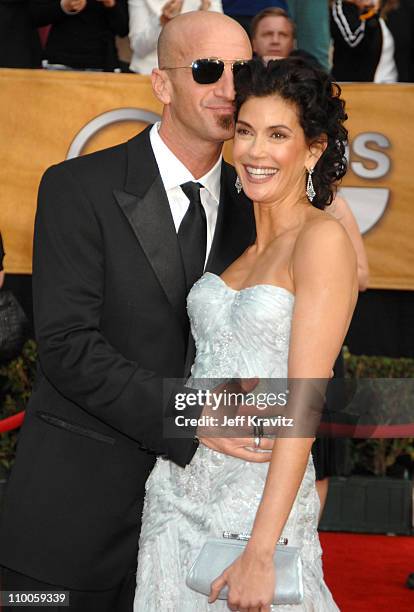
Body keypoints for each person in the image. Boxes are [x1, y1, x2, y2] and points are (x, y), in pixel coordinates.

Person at [0, 11, 273, 612]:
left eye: (244, 71)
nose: (230, 89)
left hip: (200, 528)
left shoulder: (259, 209)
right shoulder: (77, 187)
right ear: (162, 83)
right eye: (208, 70)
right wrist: (193, 410)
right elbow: (68, 346)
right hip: (71, 524)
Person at [134, 55, 358, 609]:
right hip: (175, 497)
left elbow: (303, 401)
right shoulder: (234, 247)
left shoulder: (320, 241)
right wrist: (189, 416)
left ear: (313, 149)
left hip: (256, 512)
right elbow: (201, 380)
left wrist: (261, 551)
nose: (256, 151)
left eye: (277, 134)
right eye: (246, 131)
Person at [30, 0, 129, 72]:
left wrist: (111, 4)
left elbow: (123, 29)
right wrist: (64, 6)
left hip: (102, 63)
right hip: (60, 61)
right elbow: (34, 16)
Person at [128, 0, 223, 74]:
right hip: (150, 75)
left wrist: (204, 15)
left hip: (198, 75)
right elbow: (139, 47)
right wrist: (163, 22)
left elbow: (220, 38)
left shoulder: (207, 3)